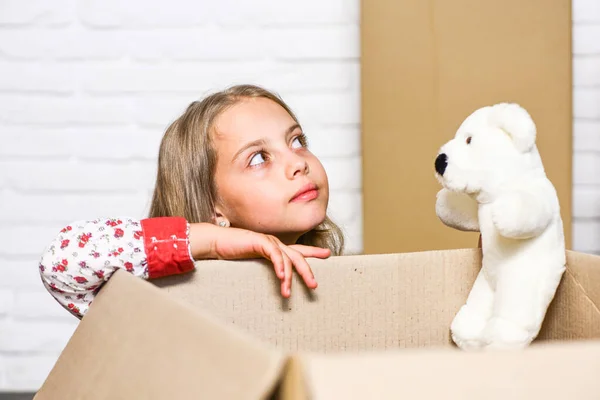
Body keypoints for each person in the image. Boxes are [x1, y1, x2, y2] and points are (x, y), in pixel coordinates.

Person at [38, 84, 345, 319]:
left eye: (296, 141)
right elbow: (61, 262)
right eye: (258, 158)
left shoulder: (344, 280)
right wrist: (213, 241)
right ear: (214, 207)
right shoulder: (169, 298)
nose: (297, 162)